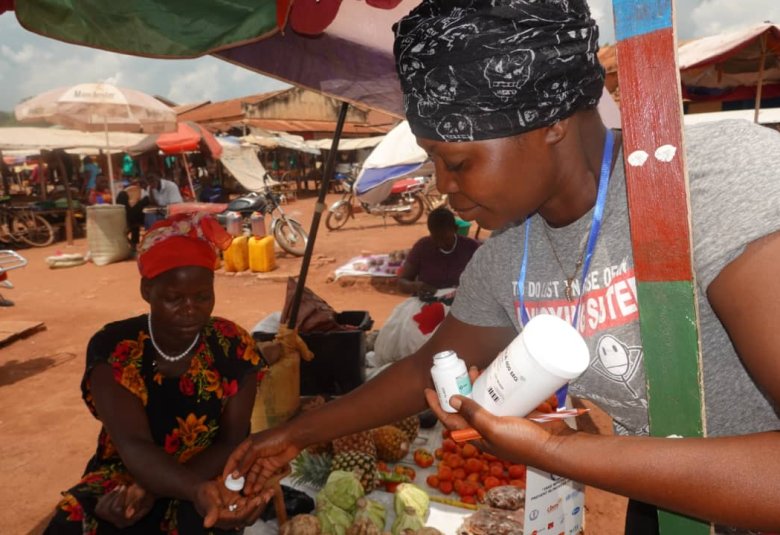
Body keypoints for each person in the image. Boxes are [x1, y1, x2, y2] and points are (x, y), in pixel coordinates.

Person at [223, 2, 780, 534]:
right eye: (432, 159)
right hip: (668, 508)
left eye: (458, 161)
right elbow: (426, 371)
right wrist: (296, 436)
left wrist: (556, 451)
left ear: (552, 123)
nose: (441, 185)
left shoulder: (711, 189)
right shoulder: (511, 256)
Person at [45, 212, 276, 534]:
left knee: (202, 522)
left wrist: (170, 489)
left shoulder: (233, 344)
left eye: (202, 296)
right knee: (74, 523)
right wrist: (164, 487)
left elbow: (231, 440)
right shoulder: (116, 348)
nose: (190, 308)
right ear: (146, 290)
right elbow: (134, 444)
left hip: (208, 473)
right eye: (173, 298)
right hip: (127, 473)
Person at [372, 207, 481, 367]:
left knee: (456, 341)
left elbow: (482, 283)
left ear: (456, 230)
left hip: (461, 305)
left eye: (446, 238)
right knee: (409, 336)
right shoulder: (423, 247)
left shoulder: (471, 248)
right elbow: (402, 282)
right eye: (436, 237)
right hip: (424, 304)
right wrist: (417, 286)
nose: (441, 243)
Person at [116, 178, 151, 250]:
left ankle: (134, 243)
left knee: (144, 201)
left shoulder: (149, 191)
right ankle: (134, 242)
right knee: (122, 195)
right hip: (134, 215)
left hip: (142, 215)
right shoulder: (134, 192)